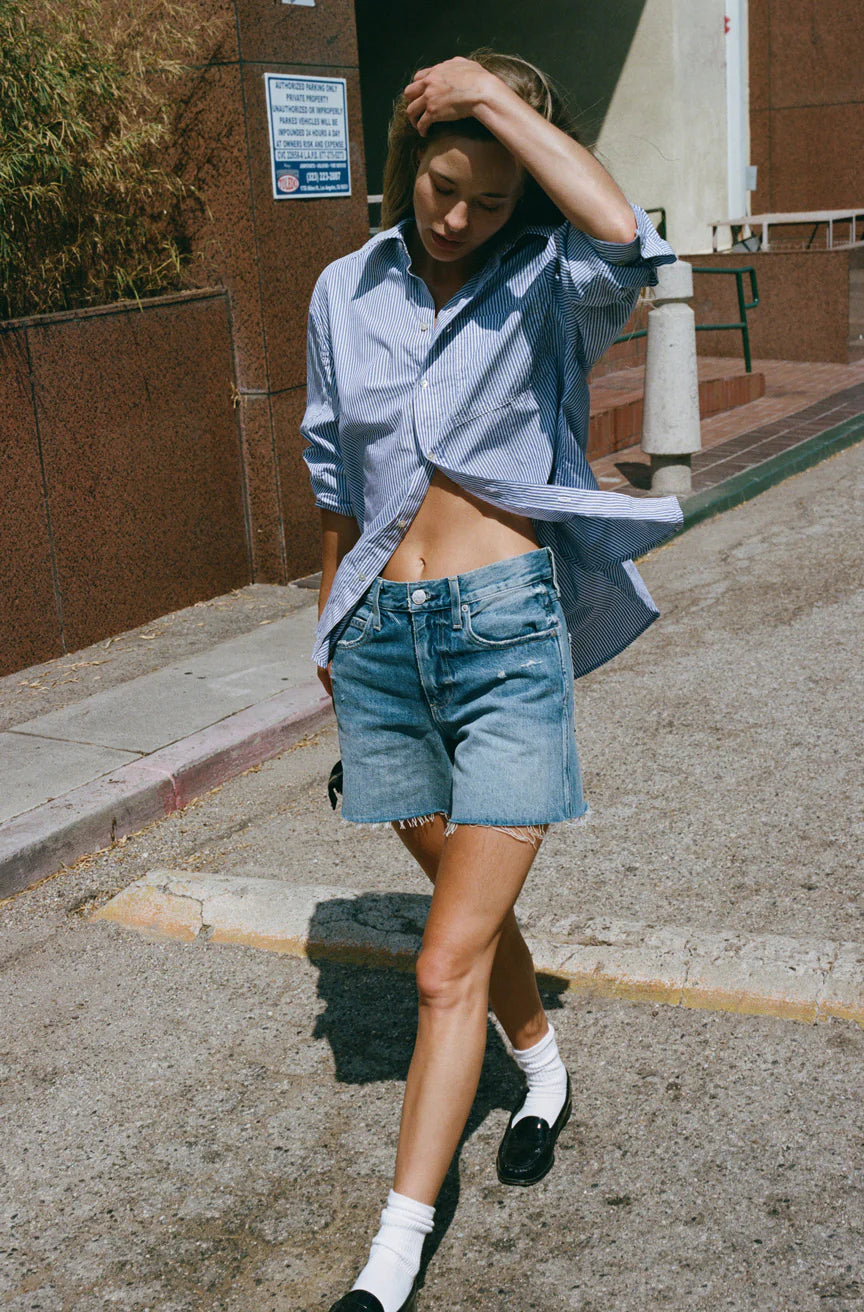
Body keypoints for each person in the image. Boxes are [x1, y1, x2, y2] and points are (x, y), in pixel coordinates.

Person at [300, 50, 683, 1312]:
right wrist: (327, 629)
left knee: (439, 961)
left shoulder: (547, 285)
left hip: (505, 638)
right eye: (440, 186)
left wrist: (499, 102)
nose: (455, 219)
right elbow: (335, 486)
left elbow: (622, 231)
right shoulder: (342, 291)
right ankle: (546, 1062)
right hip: (382, 645)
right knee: (471, 914)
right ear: (408, 166)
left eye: (488, 199)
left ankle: (392, 1252)